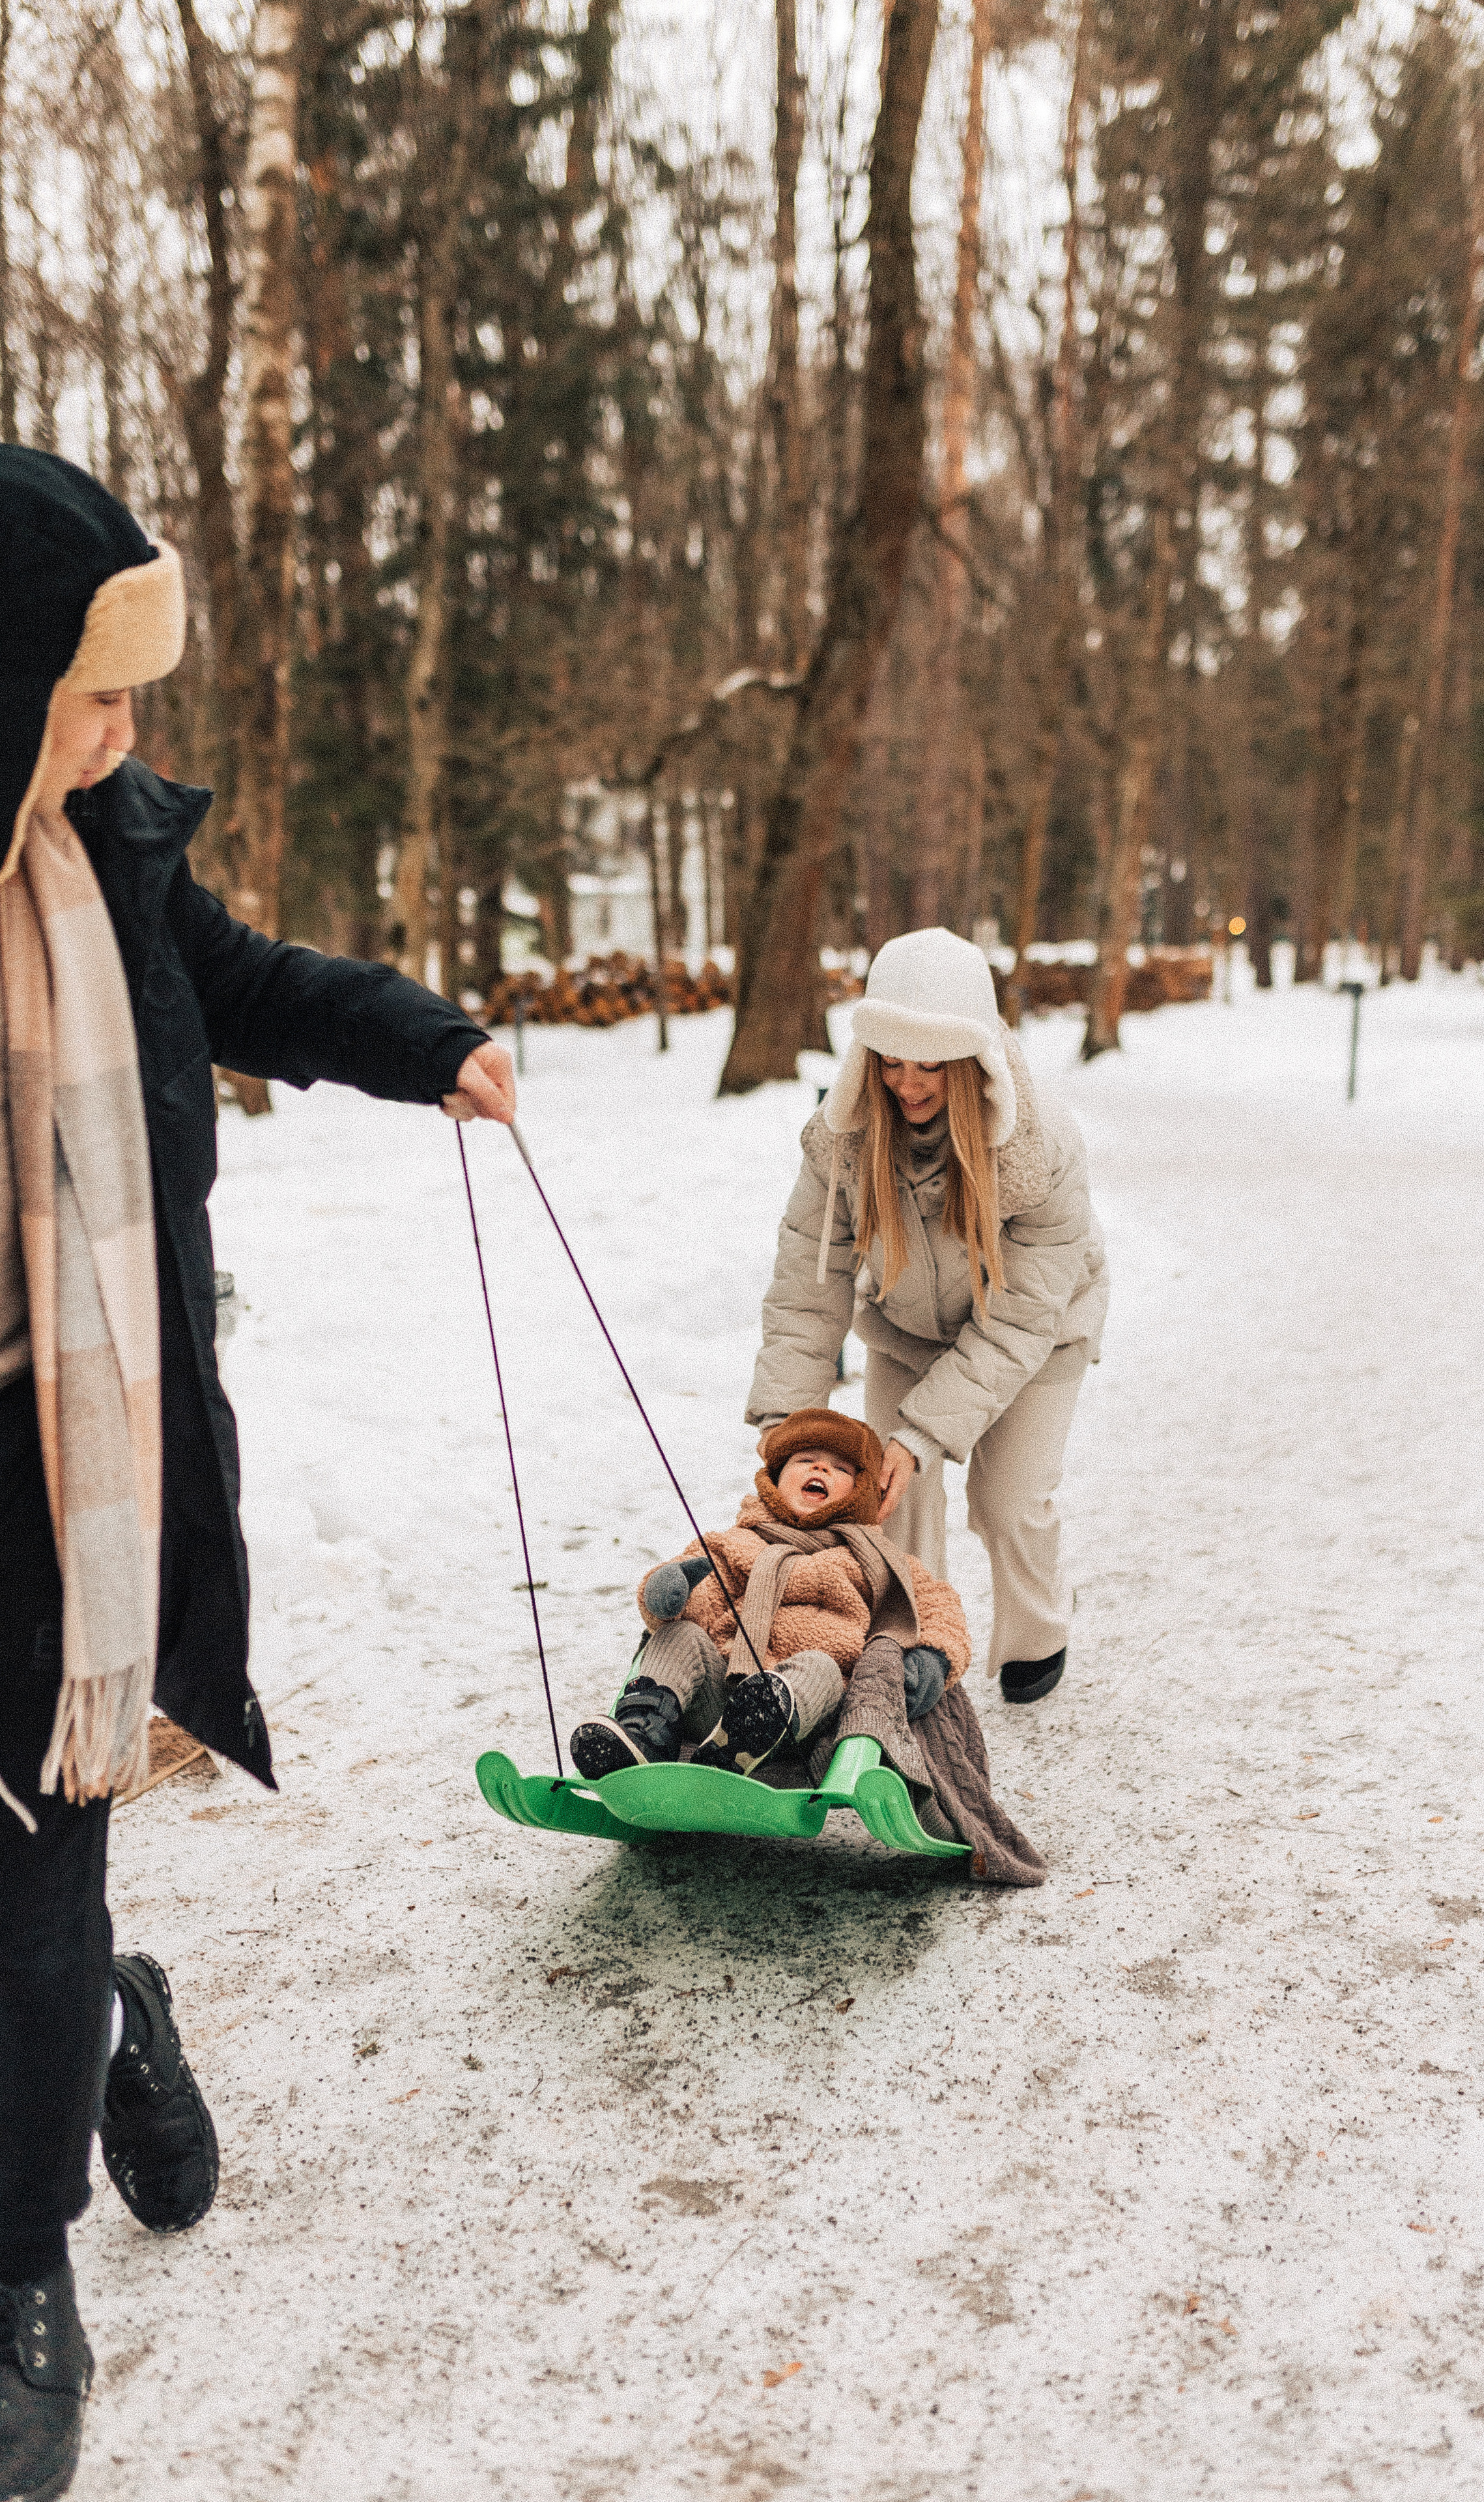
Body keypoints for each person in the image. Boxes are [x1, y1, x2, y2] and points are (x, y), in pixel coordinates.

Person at [0, 446, 515, 2499]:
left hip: (65, 1470)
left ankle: (24, 2269)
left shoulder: (107, 851)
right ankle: (114, 2018)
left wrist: (418, 1034)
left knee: (32, 1861)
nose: (130, 738)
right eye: (95, 695)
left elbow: (248, 983)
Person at [748, 927, 1107, 1708]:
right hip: (908, 1331)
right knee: (890, 1494)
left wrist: (923, 1434)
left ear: (972, 1059)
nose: (908, 1083)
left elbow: (1020, 1321)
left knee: (1007, 1498)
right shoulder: (843, 1142)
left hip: (1037, 1336)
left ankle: (1035, 1632)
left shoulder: (1040, 1148)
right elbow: (811, 1278)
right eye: (892, 1062)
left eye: (931, 1065)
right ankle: (909, 1657)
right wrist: (787, 1417)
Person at [569, 1409, 968, 1781]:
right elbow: (703, 1599)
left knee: (820, 1664)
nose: (821, 1467)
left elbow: (938, 1608)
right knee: (679, 1636)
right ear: (775, 1480)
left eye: (841, 1468)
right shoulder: (736, 1543)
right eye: (804, 1460)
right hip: (719, 1700)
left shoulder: (877, 1559)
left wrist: (933, 1657)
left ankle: (751, 1736)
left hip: (812, 1717)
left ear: (861, 1491)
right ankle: (643, 1736)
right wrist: (670, 1592)